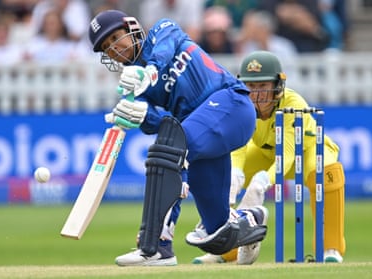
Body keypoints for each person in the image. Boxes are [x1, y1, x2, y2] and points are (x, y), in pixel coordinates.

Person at [87, 9, 268, 266]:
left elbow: (164, 50)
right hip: (203, 134)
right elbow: (163, 126)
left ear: (132, 28)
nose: (114, 49)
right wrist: (138, 114)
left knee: (171, 145)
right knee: (217, 233)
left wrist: (149, 73)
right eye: (106, 47)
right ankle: (250, 219)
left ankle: (156, 246)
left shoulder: (162, 30)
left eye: (115, 38)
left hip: (233, 105)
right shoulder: (133, 88)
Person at [193, 50, 346, 264]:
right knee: (223, 175)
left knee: (327, 174)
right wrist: (235, 174)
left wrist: (263, 180)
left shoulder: (293, 103)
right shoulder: (240, 103)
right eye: (252, 86)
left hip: (308, 151)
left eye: (263, 86)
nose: (257, 94)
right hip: (266, 153)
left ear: (277, 85)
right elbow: (239, 146)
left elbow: (289, 153)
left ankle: (330, 249)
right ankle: (225, 251)